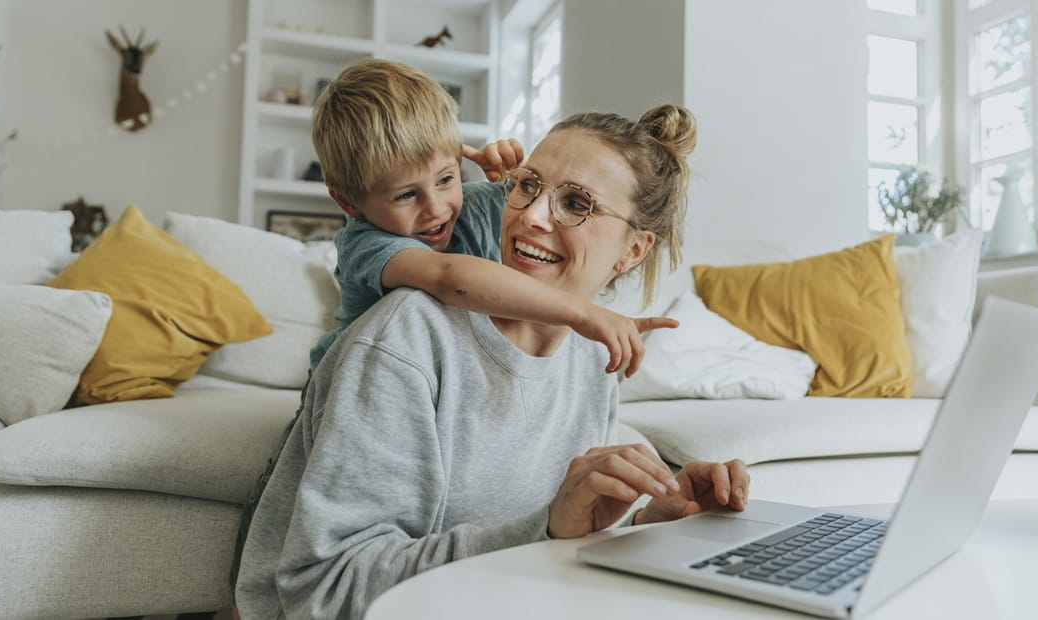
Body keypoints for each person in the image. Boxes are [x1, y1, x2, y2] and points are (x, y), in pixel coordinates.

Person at [234, 104, 750, 619]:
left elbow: (557, 535)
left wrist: (652, 522)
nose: (531, 215)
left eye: (576, 203)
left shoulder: (592, 358)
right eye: (528, 186)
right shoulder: (406, 338)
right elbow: (323, 589)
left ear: (632, 252)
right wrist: (544, 531)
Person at [308, 59, 673, 377]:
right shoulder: (366, 243)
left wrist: (514, 176)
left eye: (447, 179)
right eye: (406, 195)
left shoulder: (474, 203)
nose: (436, 208)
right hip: (355, 388)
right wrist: (581, 313)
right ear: (348, 202)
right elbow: (448, 277)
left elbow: (539, 204)